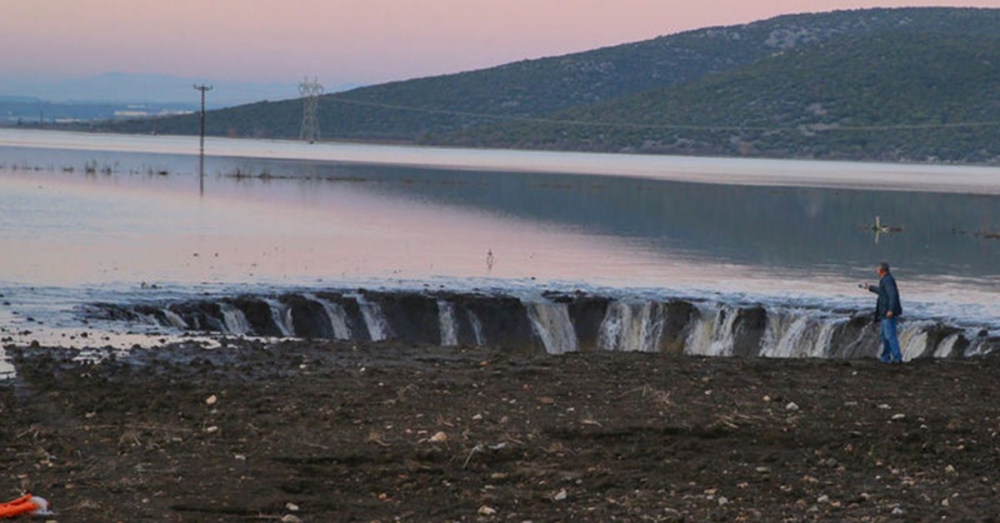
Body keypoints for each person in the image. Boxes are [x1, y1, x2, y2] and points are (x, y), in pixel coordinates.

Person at [862, 261, 903, 363]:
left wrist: (891, 310)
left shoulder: (888, 280)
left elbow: (892, 295)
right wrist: (870, 287)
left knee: (890, 335)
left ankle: (897, 357)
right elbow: (881, 291)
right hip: (884, 313)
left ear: (881, 270)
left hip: (887, 313)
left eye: (877, 269)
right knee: (884, 335)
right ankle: (886, 357)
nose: (876, 271)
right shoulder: (885, 280)